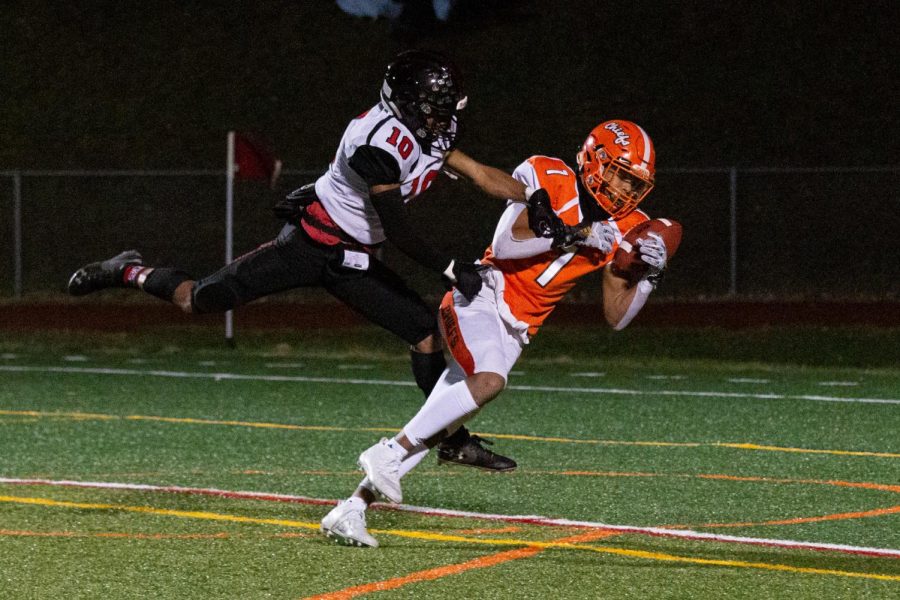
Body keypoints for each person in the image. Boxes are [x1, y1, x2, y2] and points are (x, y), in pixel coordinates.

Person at [66, 50, 560, 472]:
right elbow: (403, 231)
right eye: (433, 106)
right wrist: (452, 268)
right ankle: (123, 269)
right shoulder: (376, 143)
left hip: (353, 259)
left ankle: (451, 441)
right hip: (309, 244)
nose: (442, 116)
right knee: (200, 300)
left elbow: (476, 171)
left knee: (425, 332)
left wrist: (531, 195)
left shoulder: (430, 128)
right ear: (406, 103)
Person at [320, 119, 672, 547]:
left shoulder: (628, 224)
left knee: (440, 418)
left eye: (635, 183)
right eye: (620, 174)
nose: (626, 190)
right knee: (488, 381)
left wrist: (647, 274)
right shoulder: (551, 176)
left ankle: (351, 509)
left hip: (519, 329)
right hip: (482, 297)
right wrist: (576, 234)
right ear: (594, 160)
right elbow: (506, 244)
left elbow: (617, 315)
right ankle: (387, 453)